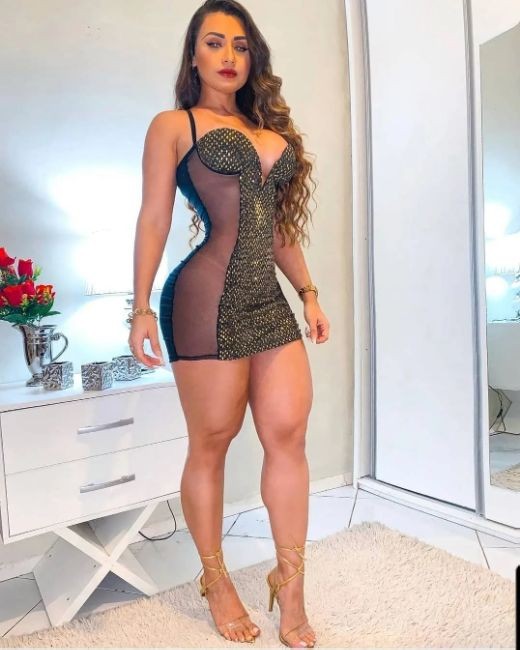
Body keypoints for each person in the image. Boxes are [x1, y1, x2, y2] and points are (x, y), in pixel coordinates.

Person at [128, 1, 330, 646]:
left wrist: (308, 293)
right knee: (211, 441)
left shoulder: (266, 128)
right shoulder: (174, 125)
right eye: (214, 43)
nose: (229, 56)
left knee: (288, 434)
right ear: (194, 56)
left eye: (241, 46)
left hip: (268, 301)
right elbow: (155, 217)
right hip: (203, 299)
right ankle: (215, 580)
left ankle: (290, 585)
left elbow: (277, 230)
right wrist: (138, 307)